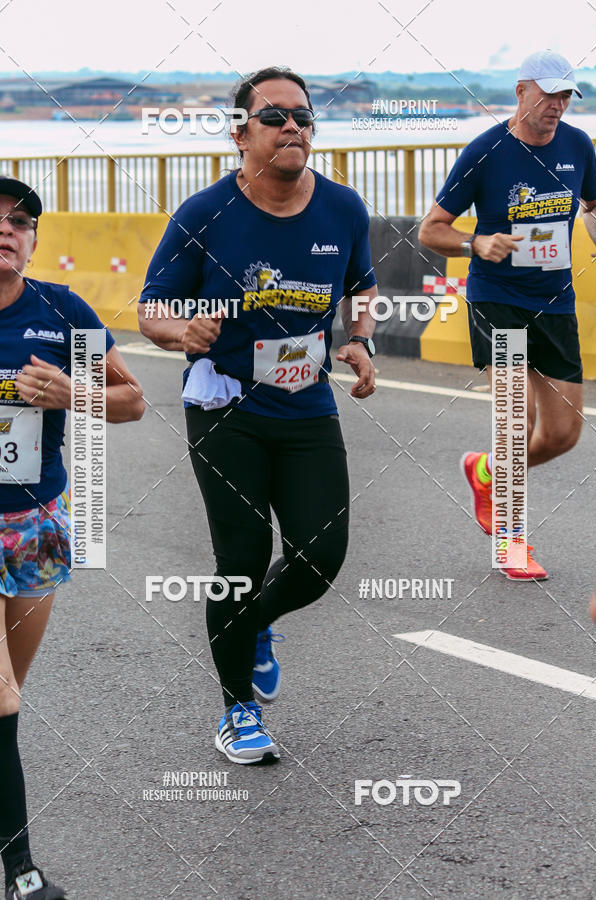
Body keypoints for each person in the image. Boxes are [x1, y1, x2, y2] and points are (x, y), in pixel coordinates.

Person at [139, 66, 378, 764]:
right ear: (241, 132)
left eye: (303, 116)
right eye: (275, 117)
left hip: (307, 406)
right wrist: (180, 330)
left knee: (319, 558)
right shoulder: (204, 213)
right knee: (241, 561)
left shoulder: (342, 208)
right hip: (227, 408)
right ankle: (237, 709)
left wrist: (359, 340)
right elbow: (153, 306)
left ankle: (256, 625)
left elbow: (361, 286)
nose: (293, 127)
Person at [0, 176, 145, 899]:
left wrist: (72, 392)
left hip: (36, 526)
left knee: (9, 698)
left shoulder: (61, 311)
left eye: (20, 221)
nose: (6, 229)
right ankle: (21, 873)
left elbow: (132, 401)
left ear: (33, 239)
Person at [418, 50, 596, 580]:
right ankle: (511, 542)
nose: (557, 106)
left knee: (564, 434)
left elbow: (592, 206)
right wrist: (476, 242)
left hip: (555, 303)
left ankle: (486, 472)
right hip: (497, 300)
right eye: (548, 94)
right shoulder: (485, 151)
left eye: (566, 96)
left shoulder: (577, 145)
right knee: (515, 422)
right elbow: (432, 229)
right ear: (521, 90)